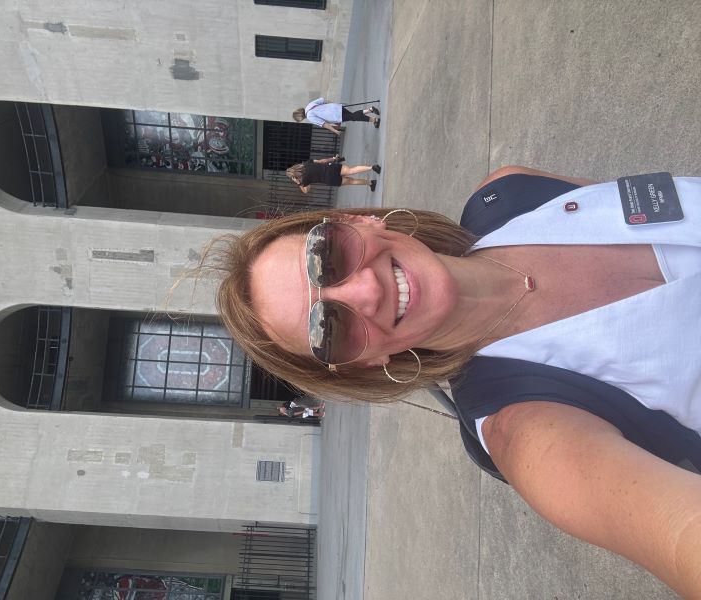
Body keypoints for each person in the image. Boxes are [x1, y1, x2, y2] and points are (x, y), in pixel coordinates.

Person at [202, 166, 701, 598]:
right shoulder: (524, 430)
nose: (366, 288)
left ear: (358, 220)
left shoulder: (508, 192)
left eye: (328, 254)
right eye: (329, 328)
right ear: (362, 363)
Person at [286, 156, 380, 192]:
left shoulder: (304, 180)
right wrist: (333, 159)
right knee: (351, 170)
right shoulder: (306, 163)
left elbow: (306, 191)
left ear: (294, 176)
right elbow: (322, 161)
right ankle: (372, 167)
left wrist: (298, 183)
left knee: (352, 181)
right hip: (331, 168)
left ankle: (371, 183)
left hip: (330, 179)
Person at [293, 98, 380, 135]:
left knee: (354, 117)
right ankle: (370, 110)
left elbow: (324, 124)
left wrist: (334, 130)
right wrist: (334, 104)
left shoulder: (310, 117)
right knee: (353, 115)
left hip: (335, 116)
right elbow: (323, 100)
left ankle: (374, 120)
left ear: (300, 118)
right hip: (336, 107)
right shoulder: (309, 105)